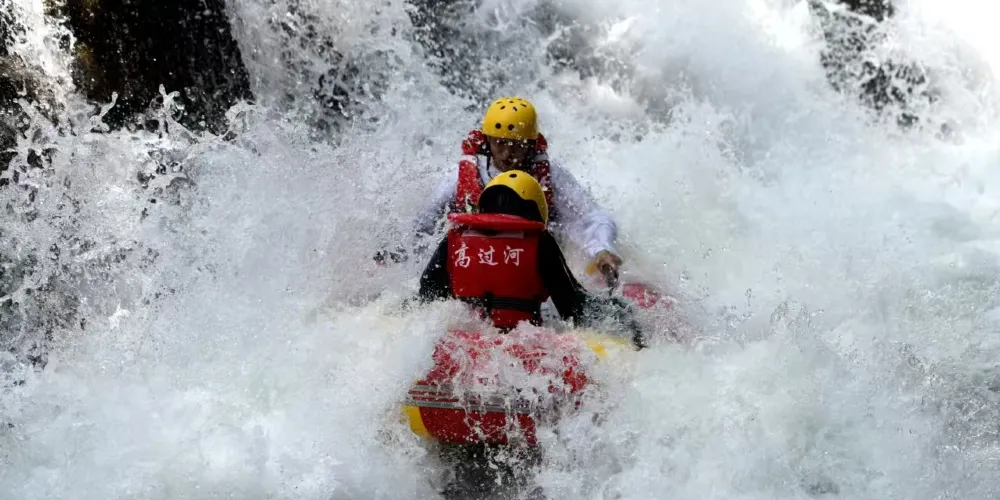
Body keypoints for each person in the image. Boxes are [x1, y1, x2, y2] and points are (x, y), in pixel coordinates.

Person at [406, 96, 624, 285]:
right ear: (487, 140)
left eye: (518, 144)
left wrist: (602, 250)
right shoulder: (458, 175)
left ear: (531, 144)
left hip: (531, 267)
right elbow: (424, 224)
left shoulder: (551, 176)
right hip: (475, 262)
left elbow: (591, 217)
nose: (508, 153)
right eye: (500, 143)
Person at [415, 169, 645, 348]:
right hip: (519, 348)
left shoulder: (454, 237)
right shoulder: (540, 242)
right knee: (623, 312)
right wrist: (620, 311)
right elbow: (572, 308)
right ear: (536, 208)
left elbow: (427, 294)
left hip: (460, 345)